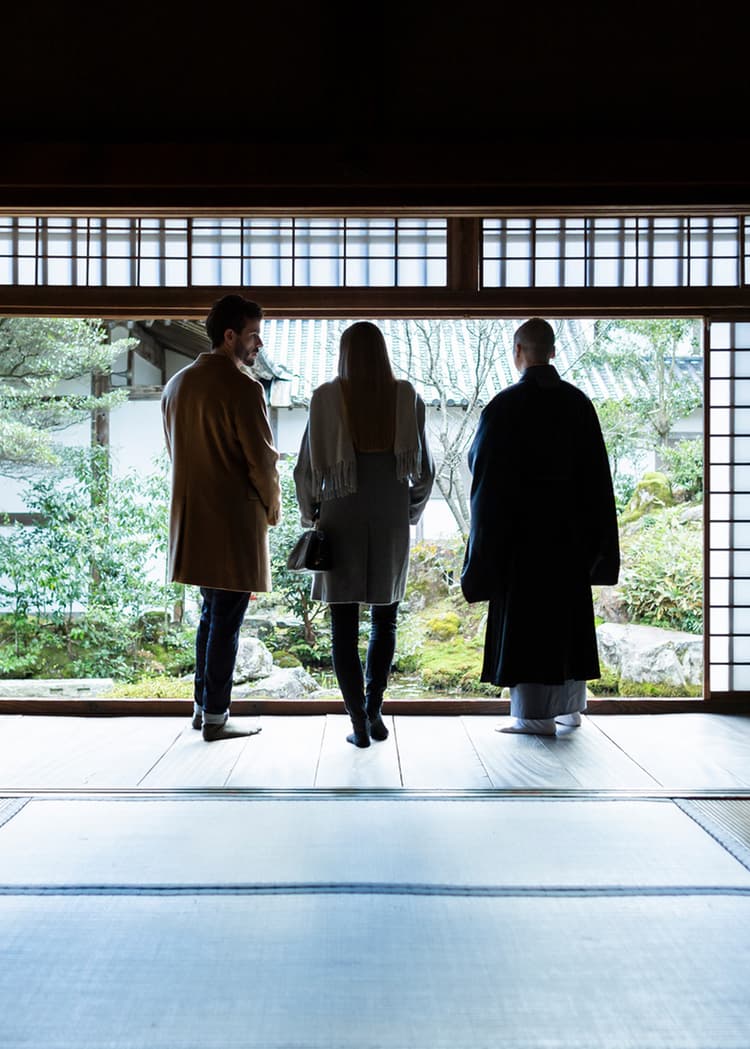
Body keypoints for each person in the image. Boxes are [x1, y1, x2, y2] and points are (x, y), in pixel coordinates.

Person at [461, 317, 620, 735]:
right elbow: (598, 480)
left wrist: (484, 545)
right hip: (570, 539)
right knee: (565, 619)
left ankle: (534, 717)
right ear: (552, 351)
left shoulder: (504, 407)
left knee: (528, 625)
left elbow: (484, 474)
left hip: (522, 540)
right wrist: (596, 543)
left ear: (518, 352)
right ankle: (570, 708)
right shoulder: (579, 403)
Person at [293, 321, 435, 747]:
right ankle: (375, 710)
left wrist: (311, 514)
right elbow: (425, 472)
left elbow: (304, 470)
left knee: (343, 625)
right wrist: (408, 511)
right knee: (384, 620)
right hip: (389, 515)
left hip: (340, 514)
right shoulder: (406, 397)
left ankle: (357, 721)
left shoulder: (325, 398)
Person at [161, 294, 282, 741]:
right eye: (253, 336)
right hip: (233, 519)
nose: (258, 345)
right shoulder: (243, 387)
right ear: (229, 335)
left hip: (193, 518)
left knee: (211, 614)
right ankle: (216, 715)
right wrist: (273, 508)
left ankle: (202, 707)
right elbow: (262, 461)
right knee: (226, 618)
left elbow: (177, 452)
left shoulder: (176, 385)